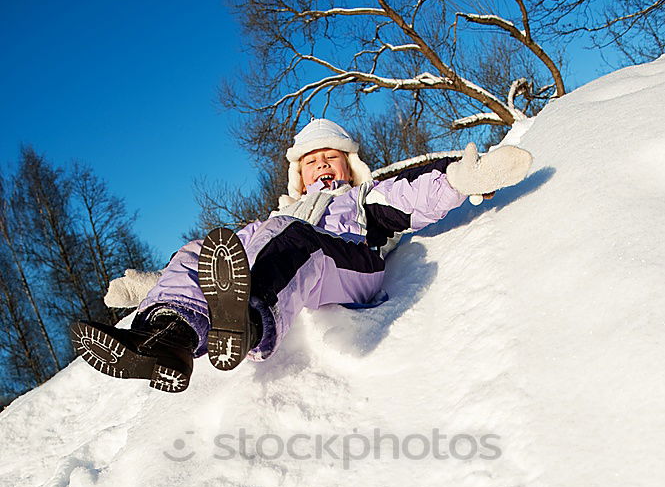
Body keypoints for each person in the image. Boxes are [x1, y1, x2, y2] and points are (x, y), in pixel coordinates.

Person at [70, 119, 532, 393]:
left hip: (348, 265)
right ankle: (163, 341)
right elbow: (215, 265)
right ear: (298, 173)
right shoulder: (276, 217)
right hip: (288, 254)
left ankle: (248, 324)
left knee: (295, 240)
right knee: (203, 247)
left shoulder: (363, 197)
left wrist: (460, 180)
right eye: (312, 161)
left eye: (333, 158)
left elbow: (414, 196)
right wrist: (148, 287)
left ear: (350, 166)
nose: (323, 166)